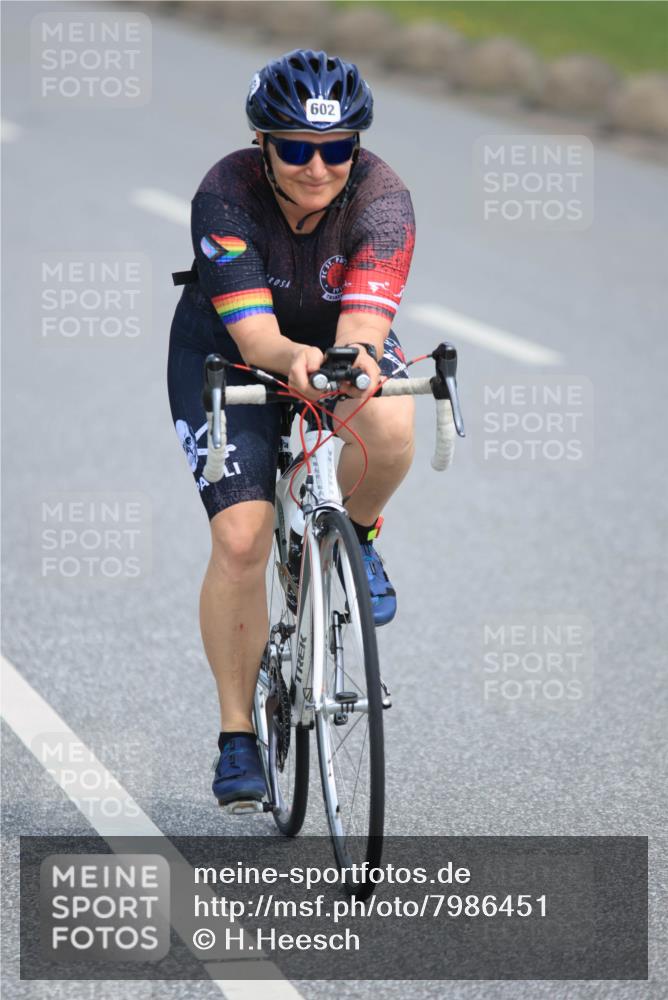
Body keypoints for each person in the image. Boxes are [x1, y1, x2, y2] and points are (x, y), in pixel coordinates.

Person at [168, 49, 416, 806]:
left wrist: (355, 362)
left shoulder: (384, 199)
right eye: (297, 148)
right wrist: (291, 359)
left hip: (335, 337)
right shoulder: (225, 193)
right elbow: (258, 344)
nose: (318, 166)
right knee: (241, 538)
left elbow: (366, 327)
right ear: (262, 144)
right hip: (231, 350)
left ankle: (358, 538)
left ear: (357, 148)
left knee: (393, 423)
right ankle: (238, 735)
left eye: (337, 148)